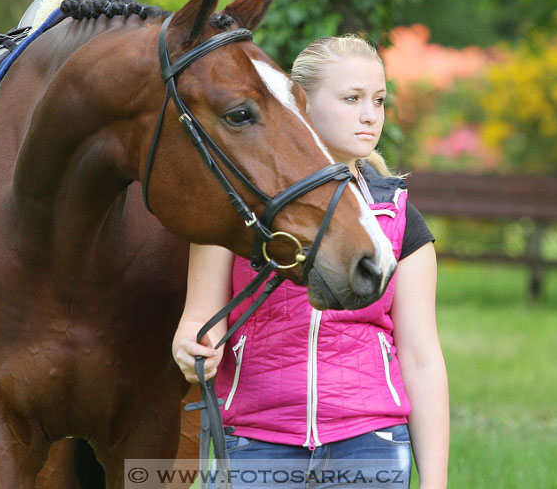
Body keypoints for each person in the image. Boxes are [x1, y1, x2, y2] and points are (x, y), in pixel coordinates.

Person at [172, 35, 449, 489]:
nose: (369, 115)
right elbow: (198, 325)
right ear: (300, 104)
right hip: (255, 442)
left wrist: (434, 482)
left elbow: (421, 359)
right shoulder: (239, 213)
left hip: (370, 441)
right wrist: (192, 351)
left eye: (378, 100)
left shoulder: (397, 218)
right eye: (351, 98)